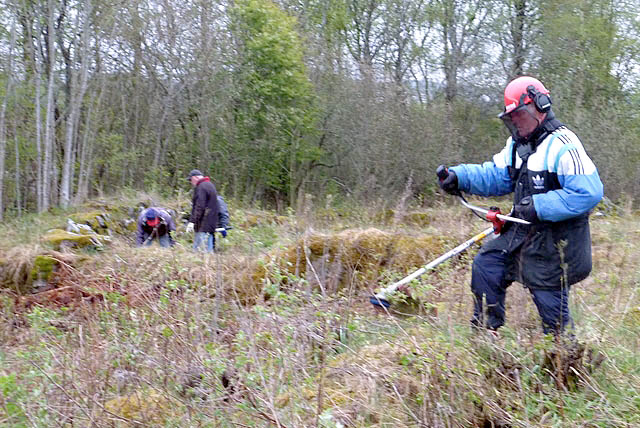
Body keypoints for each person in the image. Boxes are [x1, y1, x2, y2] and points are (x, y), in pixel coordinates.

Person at [438, 76, 603, 335]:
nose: (516, 123)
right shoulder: (517, 145)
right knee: (487, 266)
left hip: (556, 244)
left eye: (520, 115)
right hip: (522, 234)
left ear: (540, 106)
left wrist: (539, 205)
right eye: (512, 118)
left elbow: (588, 193)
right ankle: (485, 336)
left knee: (554, 319)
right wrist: (460, 177)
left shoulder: (565, 145)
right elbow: (497, 175)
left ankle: (563, 363)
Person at [185, 169, 219, 252]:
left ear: (195, 177)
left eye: (190, 179)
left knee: (200, 252)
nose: (190, 182)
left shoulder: (201, 187)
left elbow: (199, 206)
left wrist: (192, 221)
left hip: (203, 225)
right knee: (208, 250)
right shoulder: (210, 185)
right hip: (210, 224)